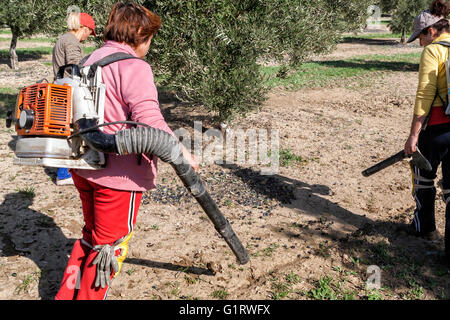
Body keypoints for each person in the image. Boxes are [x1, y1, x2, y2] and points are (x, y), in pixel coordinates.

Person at [54, 2, 198, 300]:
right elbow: (150, 119)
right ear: (141, 34)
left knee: (90, 237)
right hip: (119, 179)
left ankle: (65, 297)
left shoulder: (91, 58)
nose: (149, 45)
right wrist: (181, 151)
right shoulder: (134, 66)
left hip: (85, 168)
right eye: (150, 38)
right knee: (109, 248)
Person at [403, 0, 450, 268]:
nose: (420, 42)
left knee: (423, 178)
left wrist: (413, 136)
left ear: (431, 31)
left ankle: (425, 229)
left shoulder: (433, 51)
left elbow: (424, 96)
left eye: (420, 36)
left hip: (436, 129)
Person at [52, 9, 97, 186]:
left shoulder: (62, 38)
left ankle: (63, 169)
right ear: (83, 28)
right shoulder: (72, 42)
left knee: (66, 128)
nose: (88, 36)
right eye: (89, 32)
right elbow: (75, 67)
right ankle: (64, 173)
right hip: (69, 89)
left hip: (60, 86)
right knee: (73, 129)